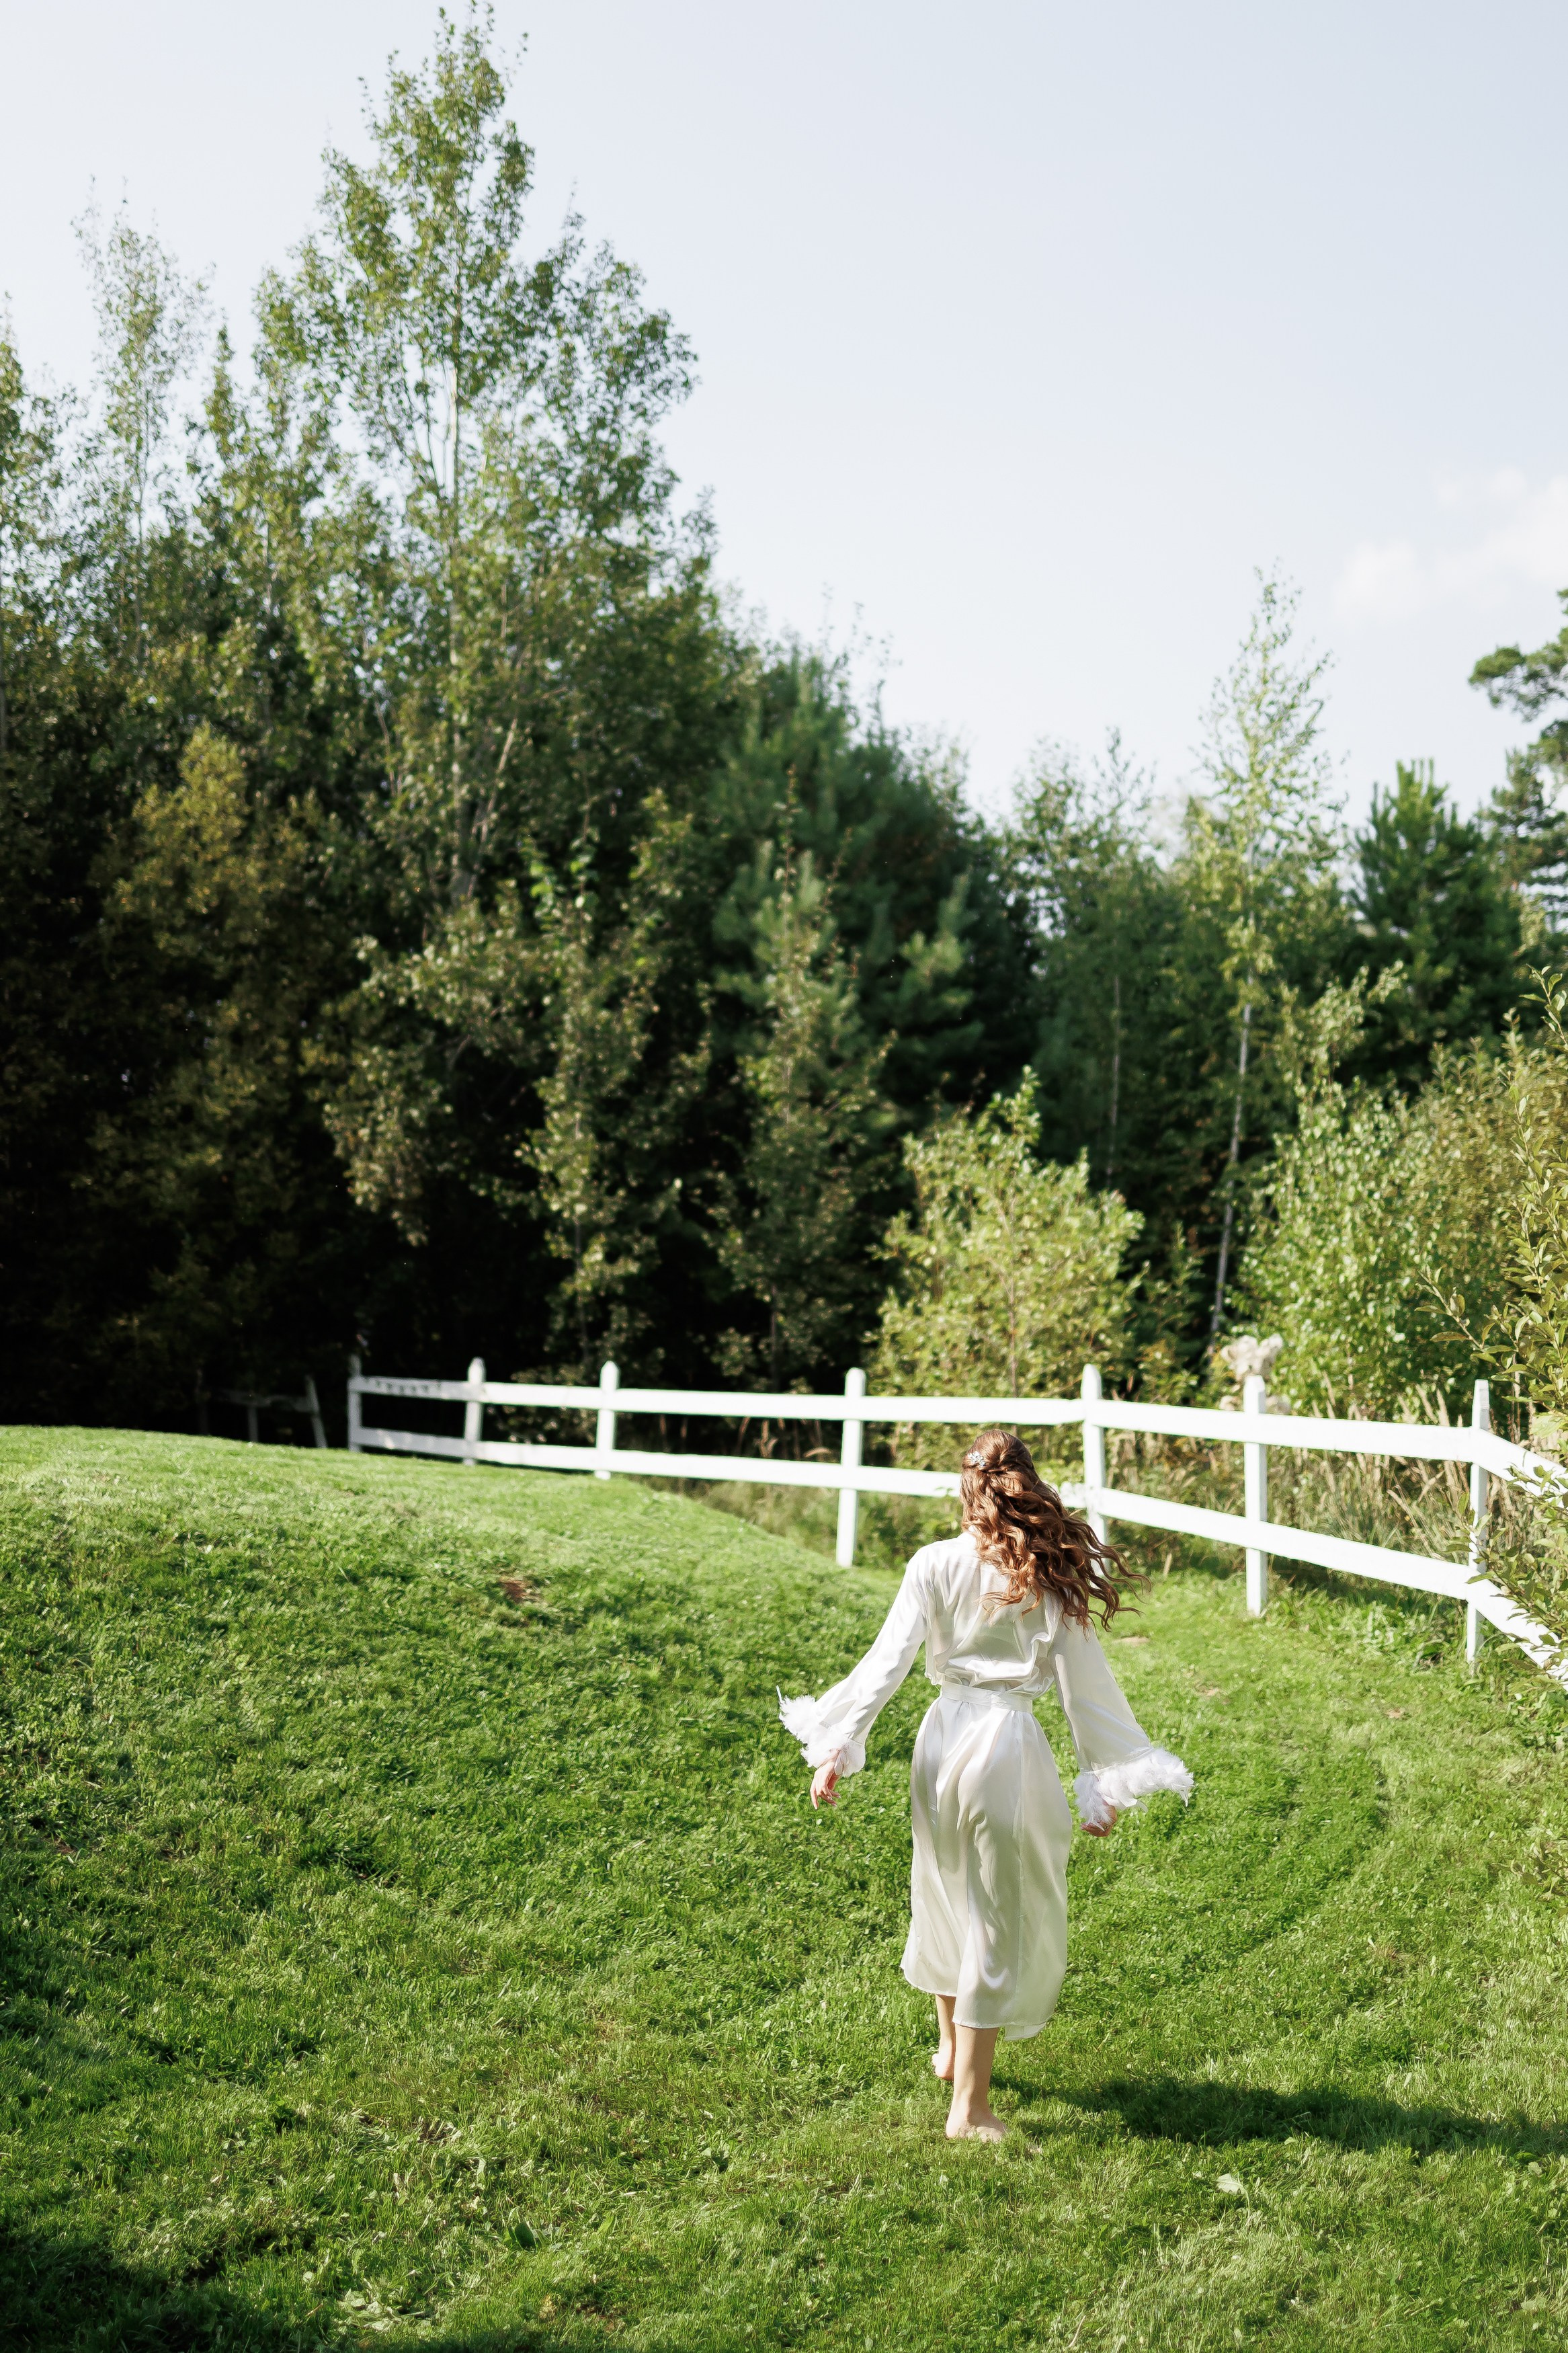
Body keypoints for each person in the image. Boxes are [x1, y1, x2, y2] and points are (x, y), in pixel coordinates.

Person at [778, 1426, 1192, 2141]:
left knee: (941, 1891)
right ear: (1026, 1486)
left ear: (966, 1488)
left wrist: (835, 1746)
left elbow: (886, 1664)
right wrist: (1104, 1780)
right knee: (997, 1918)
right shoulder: (1043, 1571)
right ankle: (968, 2110)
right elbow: (1085, 1691)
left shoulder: (931, 1563)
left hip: (937, 1741)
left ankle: (948, 2048)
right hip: (1004, 1746)